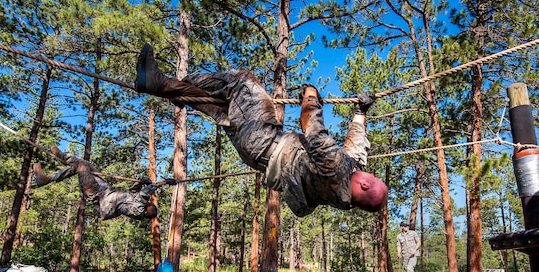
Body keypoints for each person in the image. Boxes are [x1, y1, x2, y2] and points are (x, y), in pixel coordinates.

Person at [135, 44, 388, 217]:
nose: (368, 172)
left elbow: (312, 128)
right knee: (222, 104)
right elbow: (357, 153)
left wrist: (311, 94)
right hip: (258, 152)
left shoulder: (337, 170)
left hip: (264, 141)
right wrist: (360, 113)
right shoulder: (344, 191)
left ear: (365, 185)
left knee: (241, 83)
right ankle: (166, 88)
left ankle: (162, 84)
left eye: (372, 177)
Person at [33, 146, 162, 220]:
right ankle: (63, 157)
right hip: (104, 189)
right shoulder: (134, 204)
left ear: (145, 211)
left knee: (81, 166)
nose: (147, 202)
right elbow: (136, 191)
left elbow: (144, 195)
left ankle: (47, 178)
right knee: (86, 165)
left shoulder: (138, 211)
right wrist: (142, 182)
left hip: (97, 193)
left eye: (148, 204)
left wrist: (161, 183)